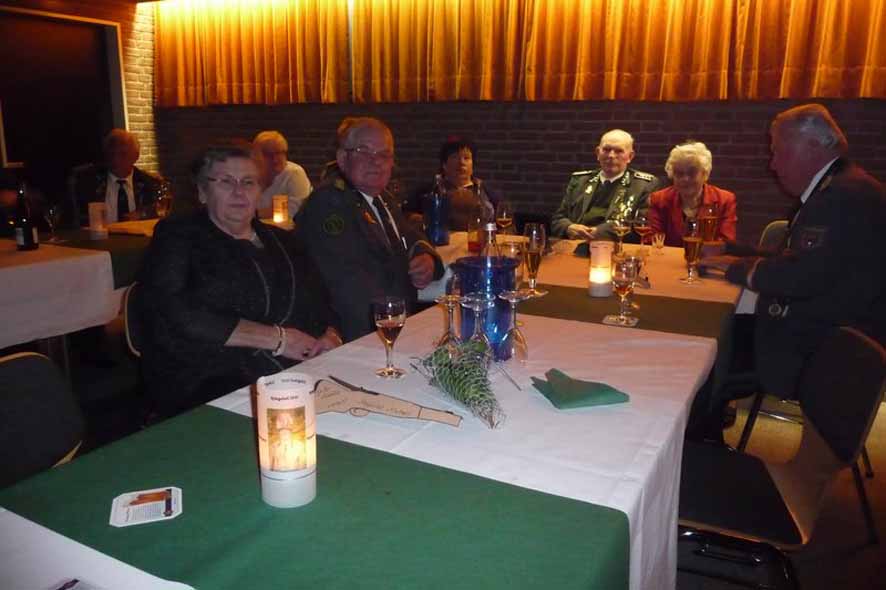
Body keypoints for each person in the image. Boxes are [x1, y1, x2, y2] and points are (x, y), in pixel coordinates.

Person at [691, 103, 885, 441]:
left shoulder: (840, 196)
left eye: (778, 151)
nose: (773, 163)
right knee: (717, 331)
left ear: (813, 146)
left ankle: (702, 446)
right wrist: (733, 250)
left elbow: (802, 277)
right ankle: (709, 429)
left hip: (821, 350)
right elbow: (801, 259)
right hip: (827, 328)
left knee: (704, 350)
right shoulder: (844, 185)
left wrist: (735, 268)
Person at [138, 141, 341, 418]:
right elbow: (175, 312)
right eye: (226, 181)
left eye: (248, 182)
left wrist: (330, 334)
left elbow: (322, 298)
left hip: (296, 371)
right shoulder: (178, 237)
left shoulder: (283, 240)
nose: (239, 191)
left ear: (260, 191)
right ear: (202, 192)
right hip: (210, 378)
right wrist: (278, 339)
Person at [295, 117, 444, 342]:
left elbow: (409, 233)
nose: (376, 162)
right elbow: (348, 288)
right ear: (342, 158)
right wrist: (387, 339)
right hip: (357, 336)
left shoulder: (382, 199)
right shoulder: (329, 204)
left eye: (384, 154)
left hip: (393, 326)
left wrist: (425, 256)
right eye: (364, 152)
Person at [551, 129, 661, 240]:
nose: (611, 155)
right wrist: (568, 227)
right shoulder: (580, 181)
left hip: (616, 246)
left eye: (618, 151)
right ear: (598, 153)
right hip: (575, 244)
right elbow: (557, 220)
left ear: (630, 156)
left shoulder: (644, 185)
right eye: (606, 150)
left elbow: (643, 224)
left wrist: (599, 232)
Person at [69, 128, 165, 227]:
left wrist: (142, 215)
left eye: (123, 154)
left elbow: (160, 214)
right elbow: (72, 220)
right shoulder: (87, 182)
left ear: (136, 156)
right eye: (111, 154)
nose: (116, 159)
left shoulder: (150, 183)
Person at [648, 141, 737, 246]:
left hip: (709, 257)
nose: (685, 179)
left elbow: (726, 243)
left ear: (705, 174)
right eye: (679, 173)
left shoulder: (724, 200)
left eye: (692, 173)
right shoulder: (659, 199)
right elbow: (653, 241)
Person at [402, 136, 499, 230]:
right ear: (444, 164)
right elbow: (406, 216)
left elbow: (498, 221)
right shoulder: (429, 190)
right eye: (455, 157)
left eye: (466, 158)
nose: (461, 163)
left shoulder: (485, 192)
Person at [253, 130, 313, 218]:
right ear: (257, 156)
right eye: (268, 154)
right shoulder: (251, 173)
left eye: (278, 153)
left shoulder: (294, 173)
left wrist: (255, 214)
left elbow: (294, 211)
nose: (275, 159)